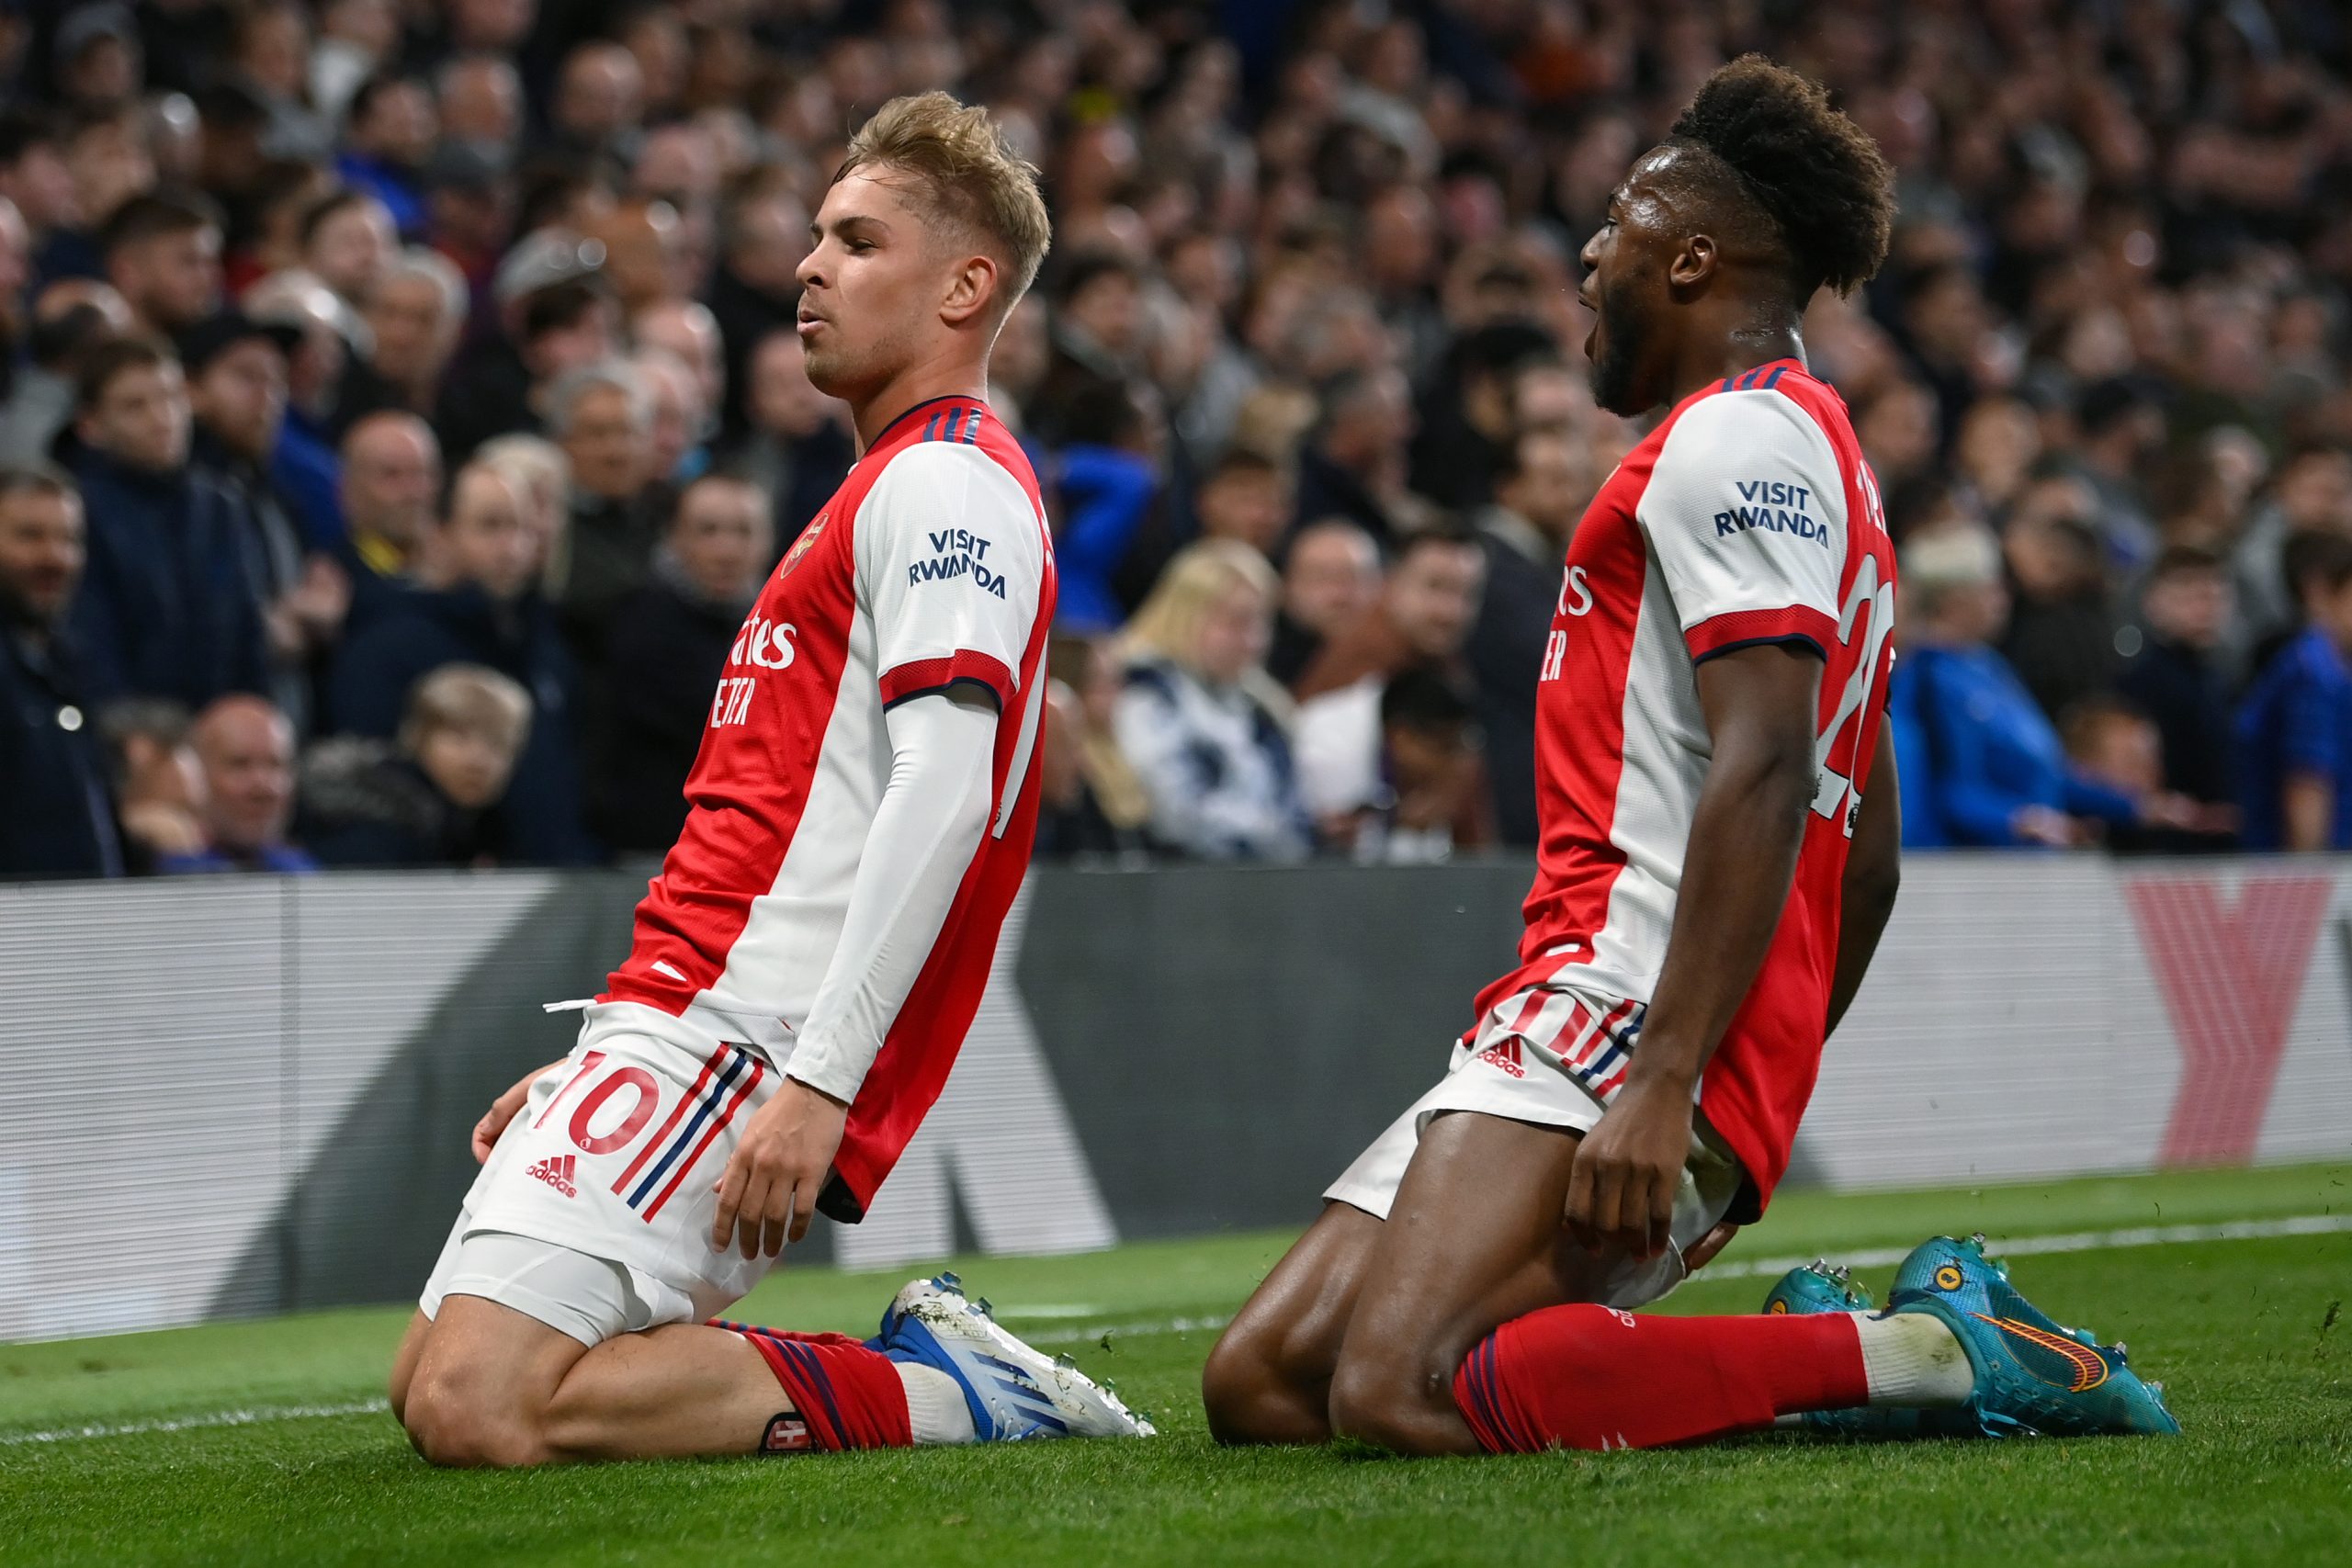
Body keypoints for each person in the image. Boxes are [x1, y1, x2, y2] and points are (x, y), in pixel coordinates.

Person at [1202, 58, 2177, 1461]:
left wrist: (1679, 1076)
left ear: (1692, 254)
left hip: (1629, 1000)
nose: (1590, 255)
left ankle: (1916, 1352)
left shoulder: (1734, 439)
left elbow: (1773, 772)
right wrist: (1755, 1072)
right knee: (1267, 1381)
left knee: (1394, 1388)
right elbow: (1874, 852)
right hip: (1609, 1000)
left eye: (1615, 226)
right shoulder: (1815, 460)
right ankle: (1825, 1341)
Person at [390, 93, 1148, 1471]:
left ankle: (955, 1392)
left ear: (968, 285)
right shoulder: (876, 486)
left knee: (480, 1400)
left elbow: (943, 787)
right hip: (675, 1011)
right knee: (427, 1378)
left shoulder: (949, 485)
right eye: (813, 234)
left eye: (856, 241)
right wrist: (599, 1055)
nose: (808, 265)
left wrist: (816, 1081)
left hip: (749, 1037)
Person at [329, 460, 593, 866]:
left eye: (523, 528)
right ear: (440, 534)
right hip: (435, 895)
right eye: (491, 526)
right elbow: (367, 784)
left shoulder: (545, 647)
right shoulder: (386, 647)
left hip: (550, 889)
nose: (511, 546)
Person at [64, 335, 270, 710]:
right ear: (90, 424)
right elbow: (89, 647)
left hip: (219, 737)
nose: (162, 418)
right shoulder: (76, 512)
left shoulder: (221, 505)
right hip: (128, 737)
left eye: (171, 397)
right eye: (135, 406)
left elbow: (247, 635)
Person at [589, 475, 770, 854]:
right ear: (675, 538)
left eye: (744, 531)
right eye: (708, 531)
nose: (727, 549)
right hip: (653, 853)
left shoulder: (785, 626)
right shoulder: (639, 627)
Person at [1112, 538, 1311, 860]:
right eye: (1237, 622)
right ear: (1187, 617)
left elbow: (1295, 812)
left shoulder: (1266, 707)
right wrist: (1268, 837)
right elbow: (1175, 814)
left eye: (1263, 622)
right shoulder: (1144, 694)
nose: (1255, 640)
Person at [1466, 423, 1595, 847]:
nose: (1573, 495)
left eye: (1577, 480)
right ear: (1508, 489)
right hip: (1515, 790)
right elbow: (1561, 662)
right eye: (1555, 481)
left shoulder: (1543, 563)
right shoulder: (1491, 569)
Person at [0, 463, 123, 877]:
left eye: (69, 539)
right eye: (30, 536)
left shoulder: (69, 664)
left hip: (71, 930)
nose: (55, 557)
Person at [302, 663, 531, 867]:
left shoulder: (479, 834)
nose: (478, 760)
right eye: (459, 736)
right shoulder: (374, 827)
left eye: (497, 742)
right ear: (419, 737)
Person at [2235, 531, 2352, 851]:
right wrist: (2313, 881)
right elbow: (2306, 786)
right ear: (2324, 595)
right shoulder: (2312, 674)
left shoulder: (2333, 668)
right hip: (2304, 878)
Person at [2118, 545, 2236, 809]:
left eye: (2215, 596)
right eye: (2189, 597)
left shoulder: (2219, 678)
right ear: (2153, 603)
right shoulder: (2142, 685)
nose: (2205, 609)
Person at [161, 693, 316, 873]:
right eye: (240, 765)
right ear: (194, 774)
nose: (263, 787)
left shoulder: (300, 872)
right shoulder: (158, 869)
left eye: (275, 765)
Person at [1268, 518, 1379, 688]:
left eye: (1353, 577)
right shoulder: (1263, 664)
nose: (1339, 595)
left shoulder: (1401, 665)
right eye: (1322, 578)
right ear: (1288, 589)